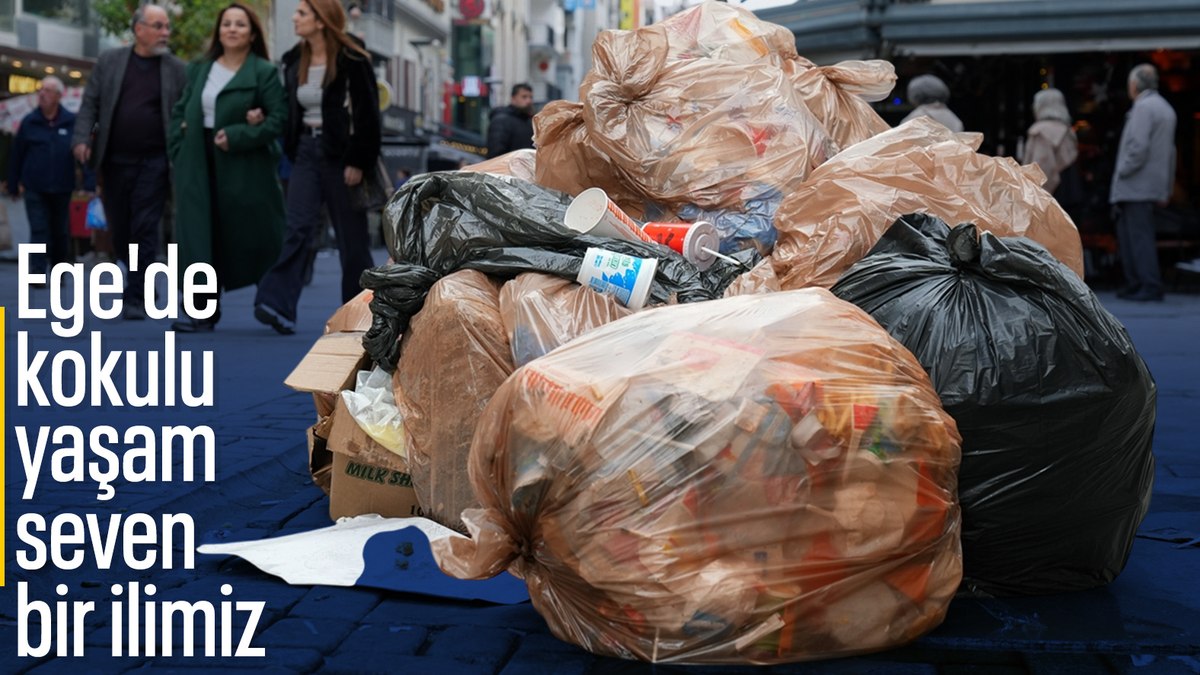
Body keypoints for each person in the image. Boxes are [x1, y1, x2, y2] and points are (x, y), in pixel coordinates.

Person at [253, 0, 381, 335]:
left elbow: (368, 116)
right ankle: (277, 305)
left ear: (322, 21)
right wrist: (266, 119)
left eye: (302, 13)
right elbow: (288, 107)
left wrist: (358, 160)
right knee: (297, 226)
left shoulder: (353, 58)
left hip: (342, 154)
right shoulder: (295, 59)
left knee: (352, 238)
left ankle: (358, 315)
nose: (295, 18)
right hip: (306, 151)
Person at [166, 3, 287, 332]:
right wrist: (177, 147)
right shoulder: (199, 69)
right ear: (219, 31)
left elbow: (278, 119)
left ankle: (274, 301)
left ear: (251, 34)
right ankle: (200, 311)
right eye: (227, 24)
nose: (232, 29)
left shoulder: (262, 71)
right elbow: (180, 111)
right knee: (197, 235)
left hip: (244, 163)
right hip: (196, 159)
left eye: (240, 25)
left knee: (255, 230)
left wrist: (239, 135)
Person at [72, 3, 186, 320]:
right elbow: (90, 104)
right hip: (114, 160)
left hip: (155, 160)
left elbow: (185, 111)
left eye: (167, 27)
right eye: (159, 26)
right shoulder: (110, 61)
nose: (166, 33)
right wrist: (81, 139)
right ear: (139, 29)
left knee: (145, 226)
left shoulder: (177, 69)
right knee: (121, 228)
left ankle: (135, 295)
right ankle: (143, 284)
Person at [1110, 63, 1177, 302]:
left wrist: (1122, 172)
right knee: (1140, 236)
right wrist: (1166, 187)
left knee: (1136, 238)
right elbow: (1171, 153)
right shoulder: (1164, 107)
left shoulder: (1143, 108)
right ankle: (1141, 283)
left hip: (1135, 185)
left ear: (1135, 85)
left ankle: (1145, 283)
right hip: (1151, 184)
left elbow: (1137, 148)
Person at [7, 76, 81, 281]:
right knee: (38, 229)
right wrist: (13, 184)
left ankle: (58, 271)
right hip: (34, 185)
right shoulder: (29, 122)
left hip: (62, 185)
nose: (42, 94)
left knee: (60, 231)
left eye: (48, 90)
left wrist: (90, 182)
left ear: (58, 96)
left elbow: (81, 152)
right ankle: (38, 271)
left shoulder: (71, 121)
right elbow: (17, 155)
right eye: (41, 90)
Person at [1022, 88, 1080, 200]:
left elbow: (1040, 169)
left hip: (1049, 197)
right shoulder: (1068, 131)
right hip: (1069, 192)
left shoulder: (1041, 131)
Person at [486, 83, 534, 158]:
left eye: (530, 97)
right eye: (524, 97)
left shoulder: (529, 121)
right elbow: (496, 154)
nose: (528, 101)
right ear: (513, 98)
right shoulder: (501, 120)